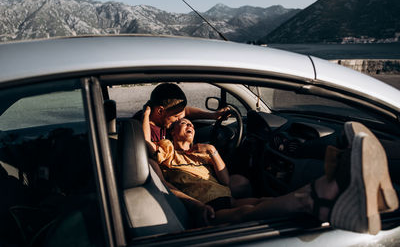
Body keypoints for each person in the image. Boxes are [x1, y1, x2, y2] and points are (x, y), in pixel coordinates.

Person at [143, 108, 399, 235]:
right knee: (247, 212)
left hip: (224, 197)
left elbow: (225, 181)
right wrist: (145, 114)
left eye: (190, 124)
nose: (187, 124)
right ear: (171, 133)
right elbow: (160, 176)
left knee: (267, 200)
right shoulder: (167, 150)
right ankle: (321, 196)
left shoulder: (202, 152)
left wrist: (213, 153)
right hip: (204, 209)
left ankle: (329, 198)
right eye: (182, 123)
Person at [135, 83, 252, 198]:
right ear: (160, 111)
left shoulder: (166, 119)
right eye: (177, 117)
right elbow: (149, 149)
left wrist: (213, 115)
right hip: (179, 178)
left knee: (242, 183)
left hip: (192, 168)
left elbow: (186, 111)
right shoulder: (143, 129)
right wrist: (145, 115)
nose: (180, 119)